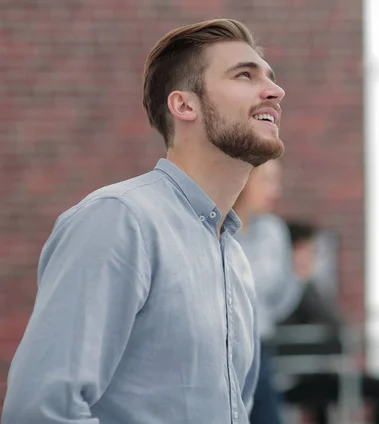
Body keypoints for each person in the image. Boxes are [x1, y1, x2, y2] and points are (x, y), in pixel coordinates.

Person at [2, 18, 286, 424]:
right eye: (245, 75)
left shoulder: (235, 260)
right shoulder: (120, 220)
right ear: (184, 104)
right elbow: (40, 411)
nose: (275, 91)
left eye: (270, 78)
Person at [279, 221, 379, 424]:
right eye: (312, 250)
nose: (316, 257)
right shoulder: (302, 288)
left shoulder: (278, 288)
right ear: (297, 249)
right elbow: (341, 328)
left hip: (301, 377)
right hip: (308, 378)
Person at [234, 159, 303, 424]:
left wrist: (298, 276)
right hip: (224, 350)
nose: (276, 190)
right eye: (267, 180)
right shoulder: (216, 229)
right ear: (244, 179)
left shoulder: (275, 231)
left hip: (263, 348)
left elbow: (278, 303)